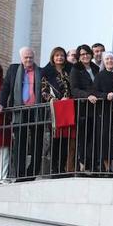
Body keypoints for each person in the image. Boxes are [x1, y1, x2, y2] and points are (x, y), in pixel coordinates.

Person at [0, 47, 45, 181]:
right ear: (21, 58)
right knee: (20, 143)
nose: (29, 60)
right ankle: (20, 174)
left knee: (37, 142)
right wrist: (1, 103)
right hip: (20, 110)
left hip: (36, 110)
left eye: (31, 57)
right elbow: (5, 87)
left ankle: (32, 173)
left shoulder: (40, 71)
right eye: (26, 57)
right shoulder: (13, 69)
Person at [41, 46, 73, 175]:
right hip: (54, 109)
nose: (60, 58)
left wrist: (68, 97)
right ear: (53, 57)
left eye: (62, 55)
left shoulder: (69, 71)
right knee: (55, 139)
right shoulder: (46, 72)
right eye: (57, 55)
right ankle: (54, 169)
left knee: (65, 139)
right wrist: (52, 99)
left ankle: (62, 167)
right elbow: (43, 91)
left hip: (67, 107)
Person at [70, 44, 100, 172]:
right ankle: (82, 164)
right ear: (79, 56)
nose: (85, 56)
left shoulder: (96, 68)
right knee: (83, 137)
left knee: (94, 137)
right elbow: (74, 89)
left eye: (87, 53)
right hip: (83, 108)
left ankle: (92, 164)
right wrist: (88, 95)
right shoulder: (75, 69)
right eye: (82, 54)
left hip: (97, 108)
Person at [92, 51, 113, 172]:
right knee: (105, 139)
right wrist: (106, 95)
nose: (110, 61)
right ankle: (108, 168)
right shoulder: (100, 76)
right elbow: (94, 91)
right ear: (104, 61)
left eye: (112, 59)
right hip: (105, 112)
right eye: (107, 59)